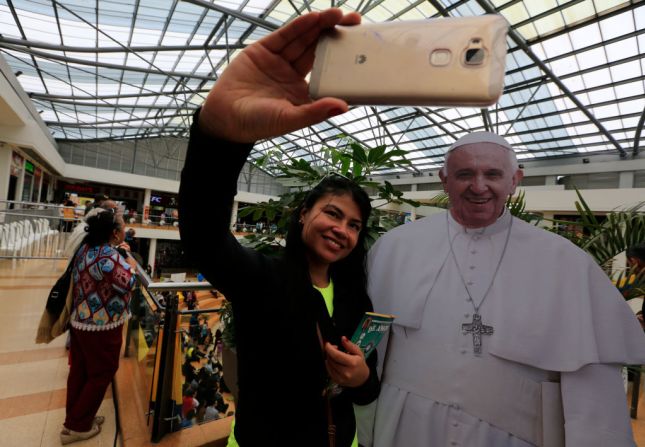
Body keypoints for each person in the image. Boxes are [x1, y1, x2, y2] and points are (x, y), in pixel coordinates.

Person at [360, 132, 645, 446]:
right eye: (464, 174)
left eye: (493, 174)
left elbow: (593, 385)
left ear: (514, 180)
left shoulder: (565, 262)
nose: (479, 186)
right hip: (408, 429)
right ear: (444, 180)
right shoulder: (395, 248)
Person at [178, 9, 379, 446]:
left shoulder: (356, 293)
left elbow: (367, 388)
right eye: (332, 213)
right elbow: (203, 236)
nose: (341, 229)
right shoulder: (262, 278)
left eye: (354, 225)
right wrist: (220, 137)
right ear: (304, 213)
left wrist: (361, 375)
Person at [61, 208, 137, 444]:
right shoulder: (107, 257)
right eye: (123, 226)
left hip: (81, 321)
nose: (126, 229)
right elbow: (128, 283)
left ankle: (75, 418)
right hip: (102, 326)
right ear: (115, 234)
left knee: (80, 372)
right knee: (101, 373)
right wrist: (131, 262)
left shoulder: (86, 248)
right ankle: (78, 426)